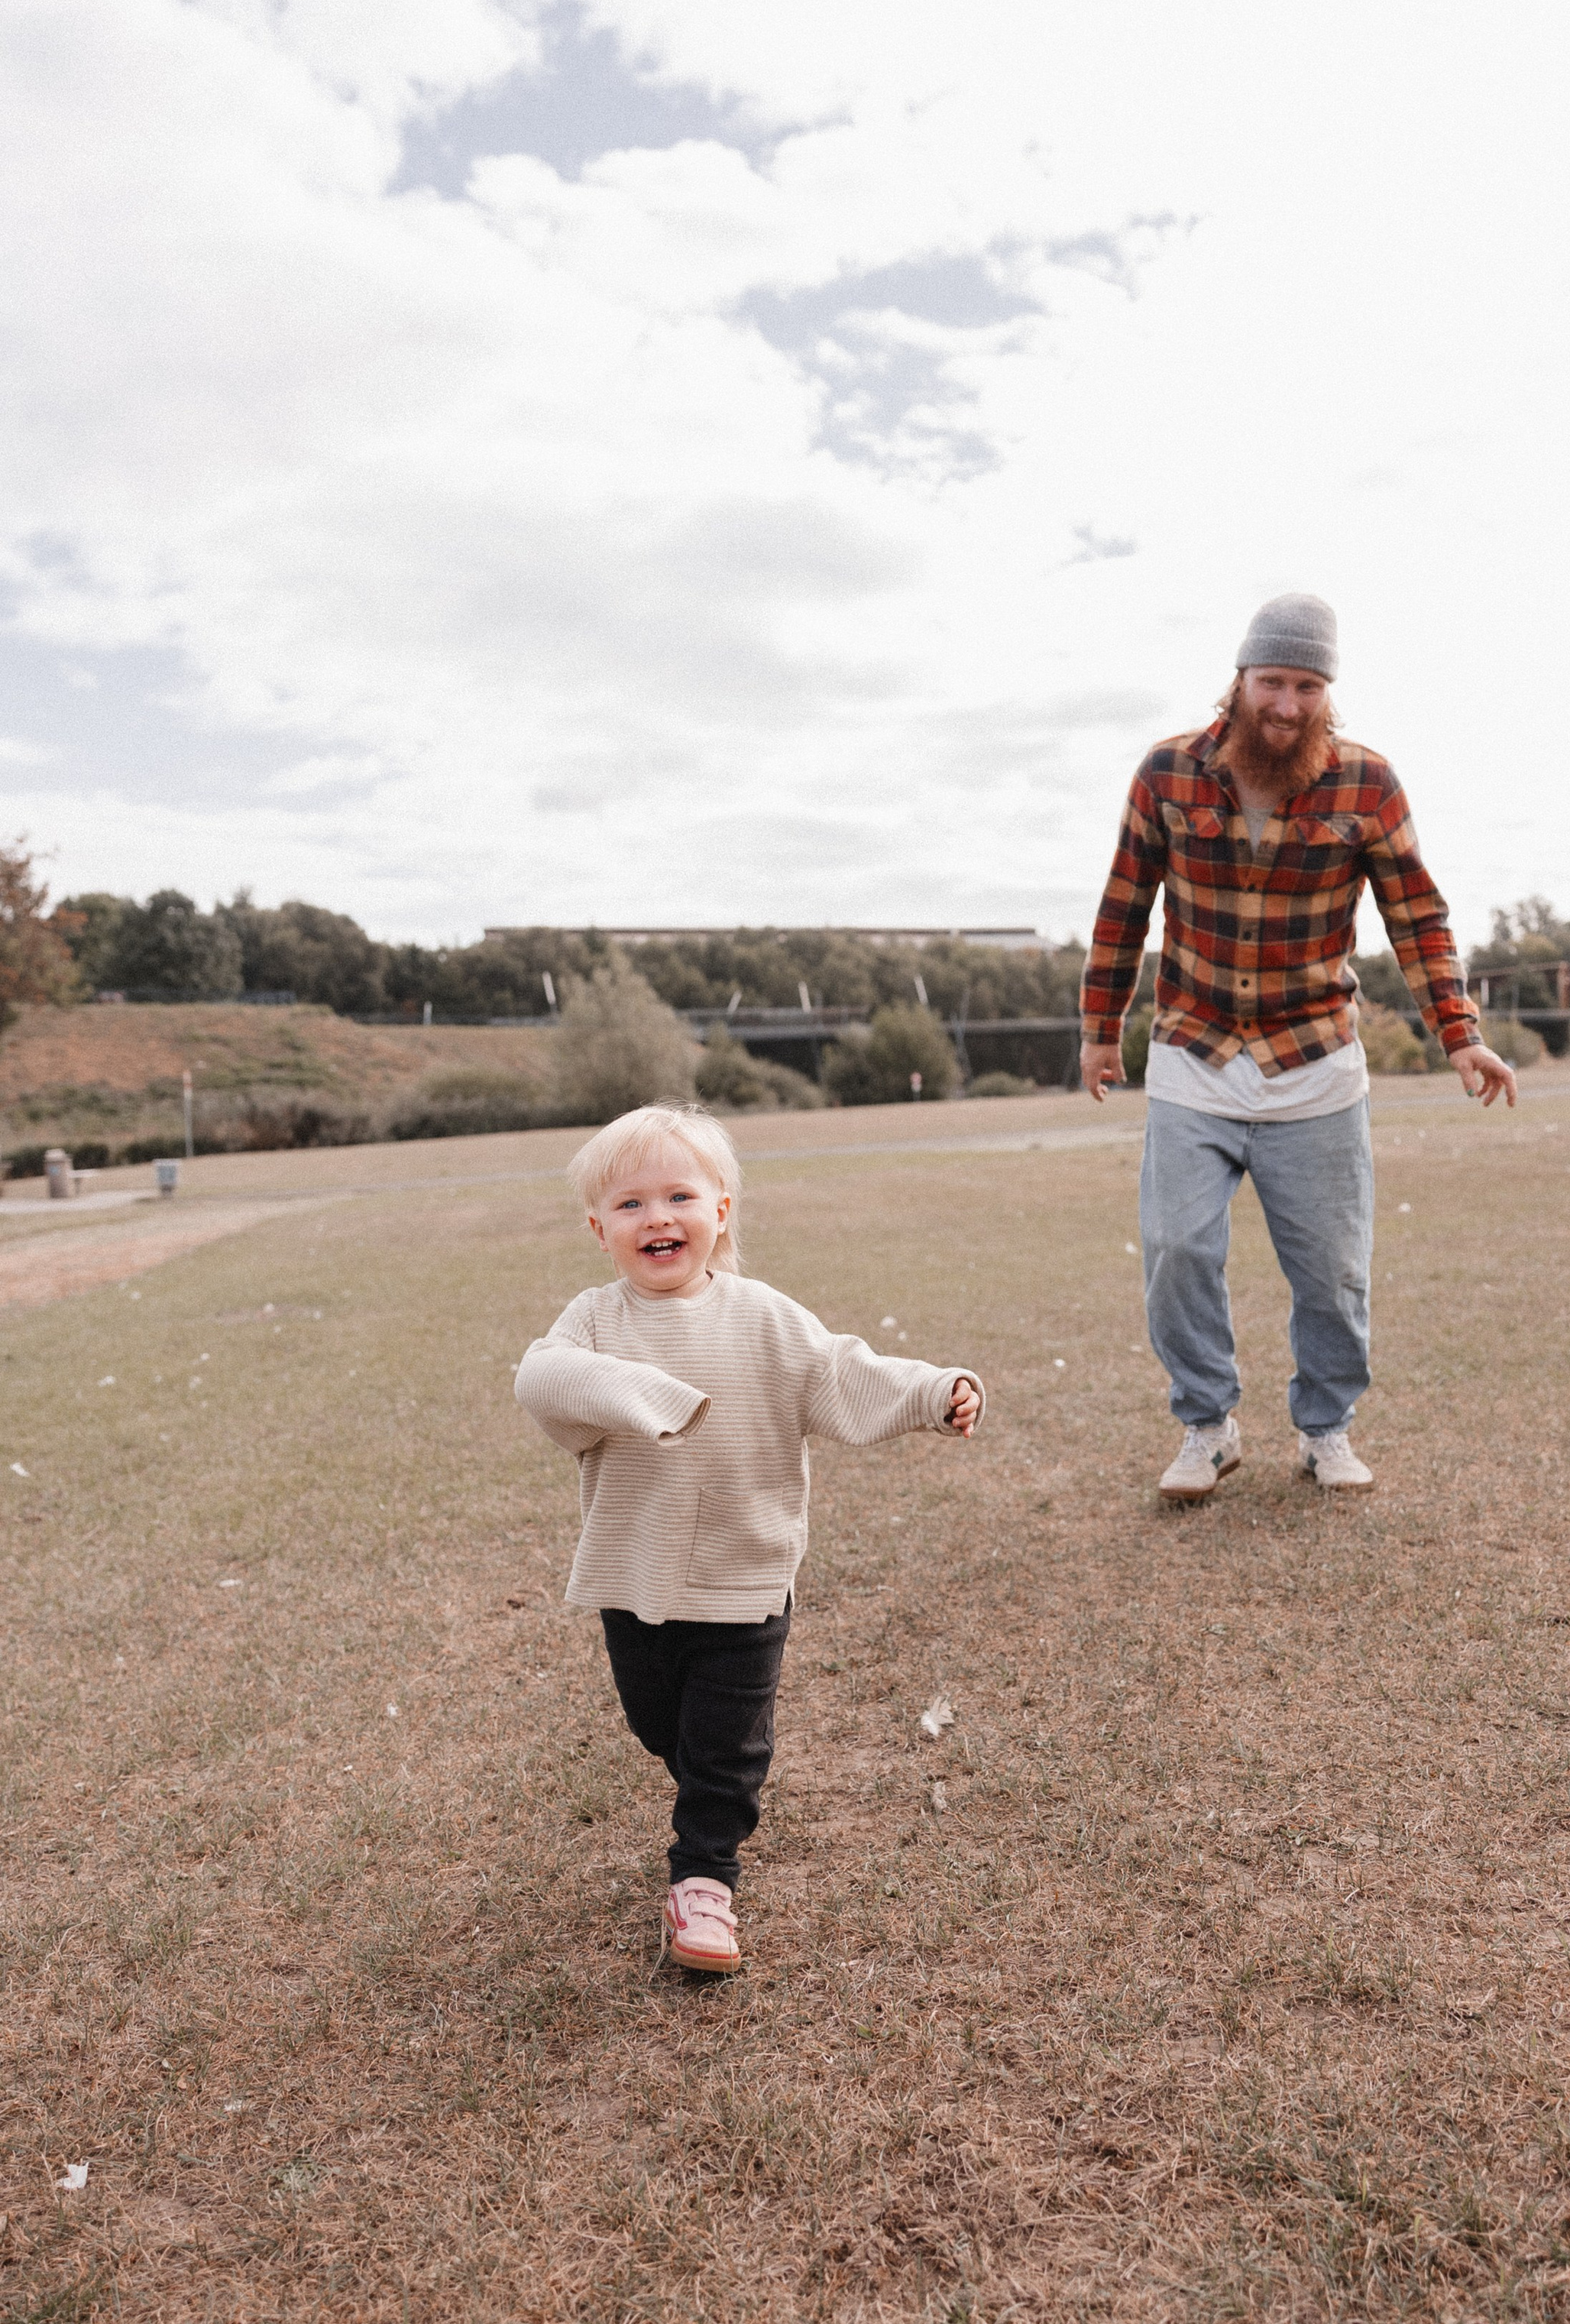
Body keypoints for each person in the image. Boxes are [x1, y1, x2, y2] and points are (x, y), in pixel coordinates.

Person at [514, 1103, 982, 1974]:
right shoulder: (591, 1322)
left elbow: (845, 1373)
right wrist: (641, 1394)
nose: (657, 1217)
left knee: (726, 1752)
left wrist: (934, 1390)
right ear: (598, 1229)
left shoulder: (764, 1317)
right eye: (629, 1205)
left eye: (679, 1196)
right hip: (637, 1580)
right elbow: (542, 1378)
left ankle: (703, 1880)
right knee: (663, 1729)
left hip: (746, 1576)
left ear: (720, 1210)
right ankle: (698, 1781)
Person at [1080, 592, 1515, 1502]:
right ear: (1239, 680)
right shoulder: (1165, 773)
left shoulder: (1367, 784)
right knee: (1176, 1249)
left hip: (1313, 1062)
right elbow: (1124, 908)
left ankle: (1325, 1428)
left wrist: (1459, 1035)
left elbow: (1418, 919)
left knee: (1331, 1270)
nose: (1286, 703)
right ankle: (1206, 1424)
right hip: (1193, 1051)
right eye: (1272, 681)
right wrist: (1097, 1030)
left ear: (1328, 693)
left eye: (1307, 685)